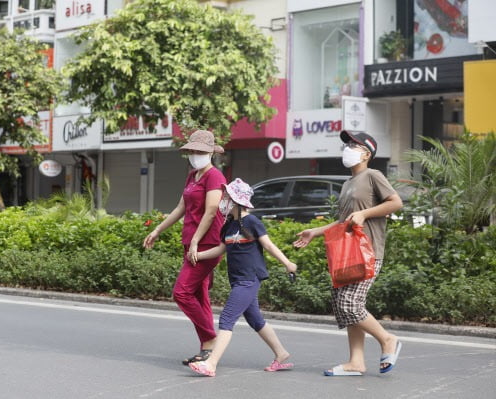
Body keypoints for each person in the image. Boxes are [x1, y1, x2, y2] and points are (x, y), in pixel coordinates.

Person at [293, 130, 403, 376]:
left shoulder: (373, 175)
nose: (348, 147)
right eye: (347, 144)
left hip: (369, 252)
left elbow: (396, 203)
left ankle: (387, 340)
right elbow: (343, 222)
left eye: (354, 144)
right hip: (348, 253)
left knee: (349, 303)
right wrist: (315, 232)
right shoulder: (347, 184)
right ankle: (356, 362)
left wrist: (365, 214)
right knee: (345, 306)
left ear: (366, 153)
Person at [189, 178, 298, 377]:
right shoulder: (228, 226)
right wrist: (199, 255)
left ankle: (211, 363)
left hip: (250, 278)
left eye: (227, 197)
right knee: (255, 319)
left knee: (227, 318)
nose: (224, 200)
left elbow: (269, 246)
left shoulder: (252, 222)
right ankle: (281, 354)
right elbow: (222, 248)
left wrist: (288, 263)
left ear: (237, 201)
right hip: (238, 280)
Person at [143, 130, 226, 366]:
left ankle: (210, 339)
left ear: (210, 153)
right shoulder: (193, 175)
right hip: (190, 242)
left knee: (182, 292)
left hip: (207, 243)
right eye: (192, 151)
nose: (195, 155)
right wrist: (157, 230)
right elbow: (181, 207)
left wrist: (197, 240)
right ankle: (206, 349)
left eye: (200, 151)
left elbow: (211, 211)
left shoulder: (214, 176)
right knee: (199, 295)